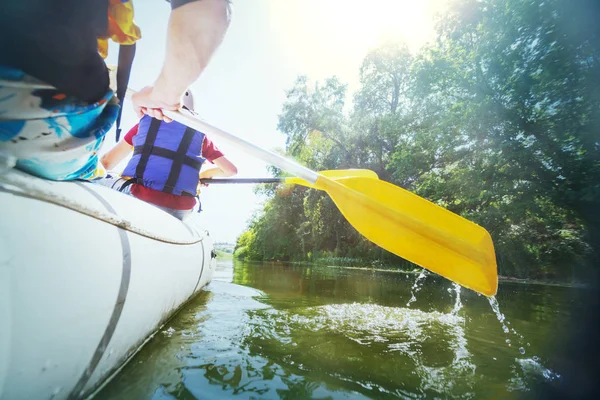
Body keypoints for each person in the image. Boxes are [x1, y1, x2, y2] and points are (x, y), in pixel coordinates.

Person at [0, 0, 231, 180]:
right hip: (48, 102)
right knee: (92, 171)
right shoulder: (201, 138)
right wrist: (164, 96)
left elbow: (110, 162)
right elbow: (208, 9)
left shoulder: (144, 128)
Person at [97, 90, 237, 220]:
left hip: (139, 196)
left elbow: (107, 163)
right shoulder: (200, 136)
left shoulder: (143, 125)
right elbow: (231, 170)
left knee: (96, 178)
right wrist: (205, 175)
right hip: (181, 209)